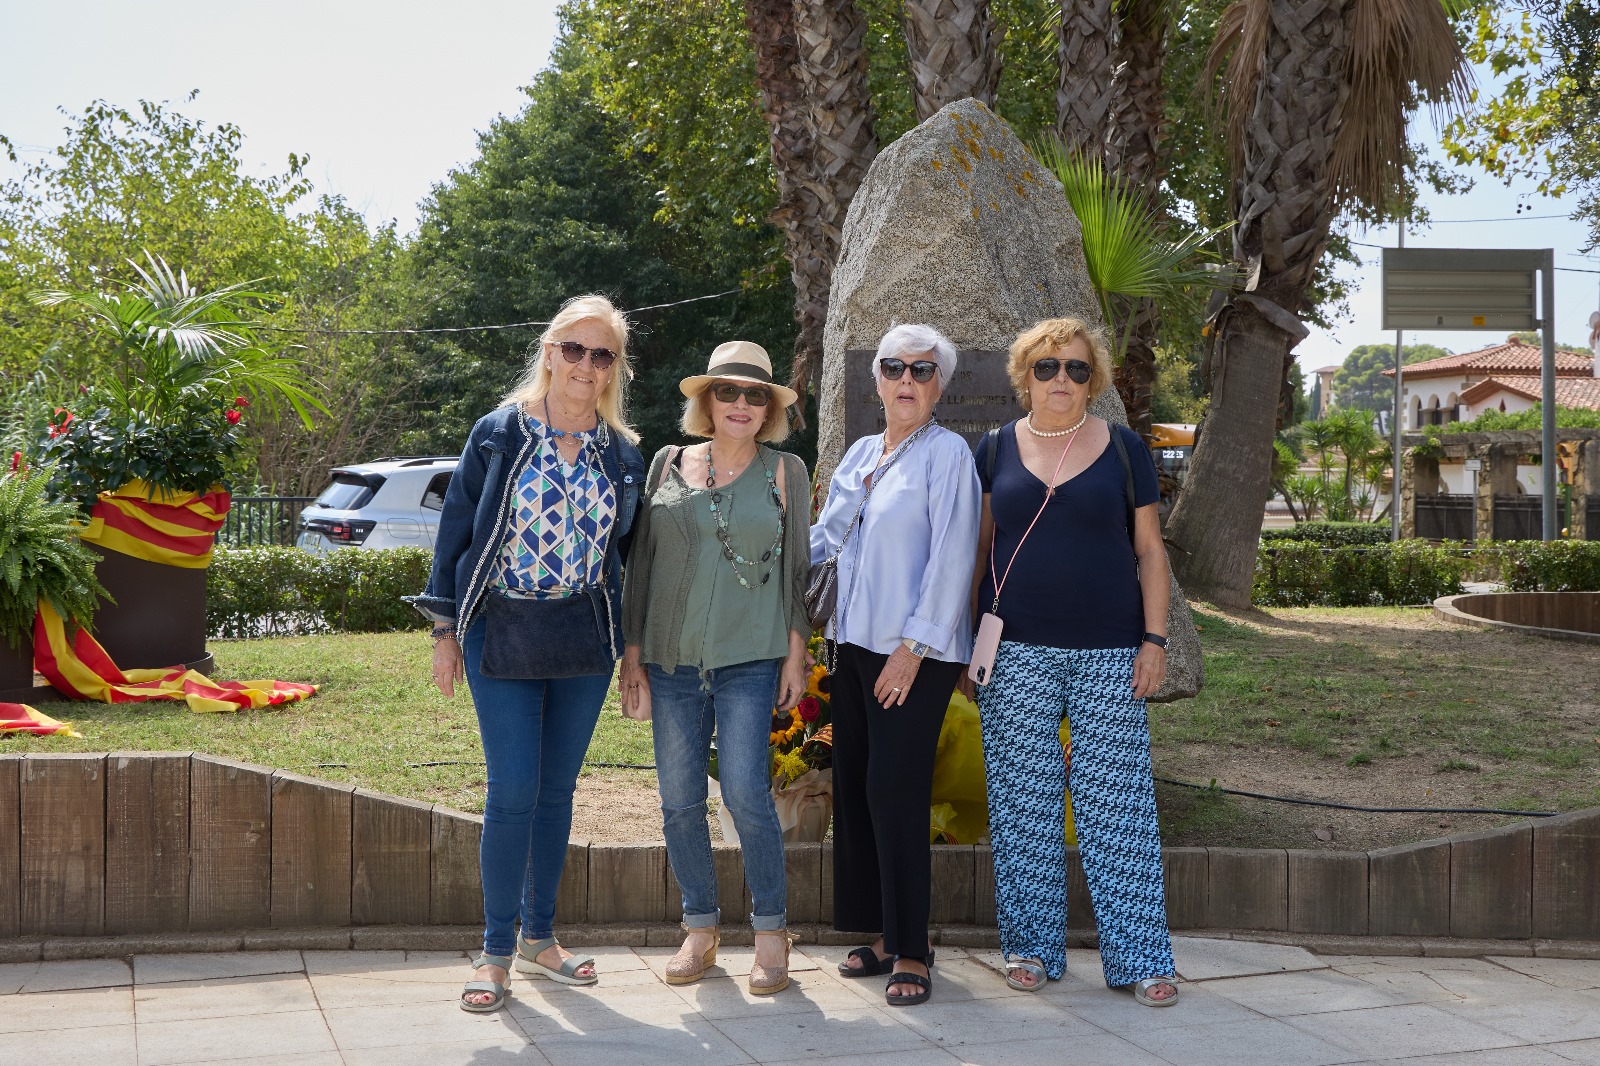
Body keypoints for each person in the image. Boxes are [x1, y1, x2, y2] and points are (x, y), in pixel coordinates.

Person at [410, 295, 647, 1013]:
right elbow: (454, 535)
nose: (584, 365)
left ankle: (542, 938)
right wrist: (445, 631)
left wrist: (632, 652)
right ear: (548, 352)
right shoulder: (498, 434)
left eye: (600, 354)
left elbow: (631, 559)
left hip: (583, 638)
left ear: (614, 370)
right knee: (512, 790)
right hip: (500, 630)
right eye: (572, 349)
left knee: (556, 792)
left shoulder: (623, 453)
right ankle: (495, 953)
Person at [966, 317, 1178, 1005]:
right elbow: (979, 549)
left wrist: (1155, 640)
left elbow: (1150, 550)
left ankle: (1142, 958)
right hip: (1018, 650)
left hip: (1112, 652)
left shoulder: (1124, 449)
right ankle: (1029, 948)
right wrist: (970, 641)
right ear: (1026, 374)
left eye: (1077, 369)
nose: (1062, 380)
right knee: (1023, 804)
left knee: (1118, 807)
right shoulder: (995, 448)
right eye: (1048, 367)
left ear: (1096, 380)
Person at [619, 341, 812, 995]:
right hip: (671, 659)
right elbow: (641, 566)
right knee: (677, 802)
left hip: (750, 658)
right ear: (707, 400)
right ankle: (700, 929)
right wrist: (633, 656)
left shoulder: (786, 472)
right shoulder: (668, 463)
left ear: (769, 410)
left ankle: (770, 933)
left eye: (756, 394)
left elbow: (797, 572)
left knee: (746, 795)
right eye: (728, 391)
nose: (741, 403)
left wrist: (797, 653)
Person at [809, 323, 981, 1007]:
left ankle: (913, 947)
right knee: (854, 787)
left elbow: (953, 558)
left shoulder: (948, 458)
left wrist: (912, 651)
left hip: (915, 651)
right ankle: (878, 933)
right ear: (877, 379)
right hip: (853, 645)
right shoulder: (858, 453)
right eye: (894, 368)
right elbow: (826, 544)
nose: (906, 380)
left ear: (939, 384)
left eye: (922, 370)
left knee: (894, 791)